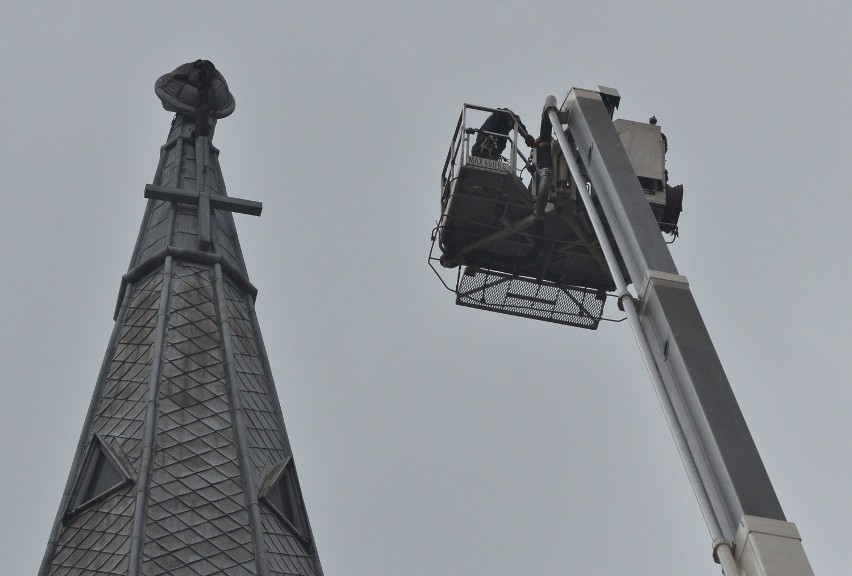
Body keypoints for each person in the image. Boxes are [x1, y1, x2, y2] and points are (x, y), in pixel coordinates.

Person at [471, 108, 537, 160]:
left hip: (481, 151)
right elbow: (511, 117)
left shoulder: (493, 126)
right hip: (484, 150)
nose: (512, 127)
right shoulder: (501, 115)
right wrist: (525, 135)